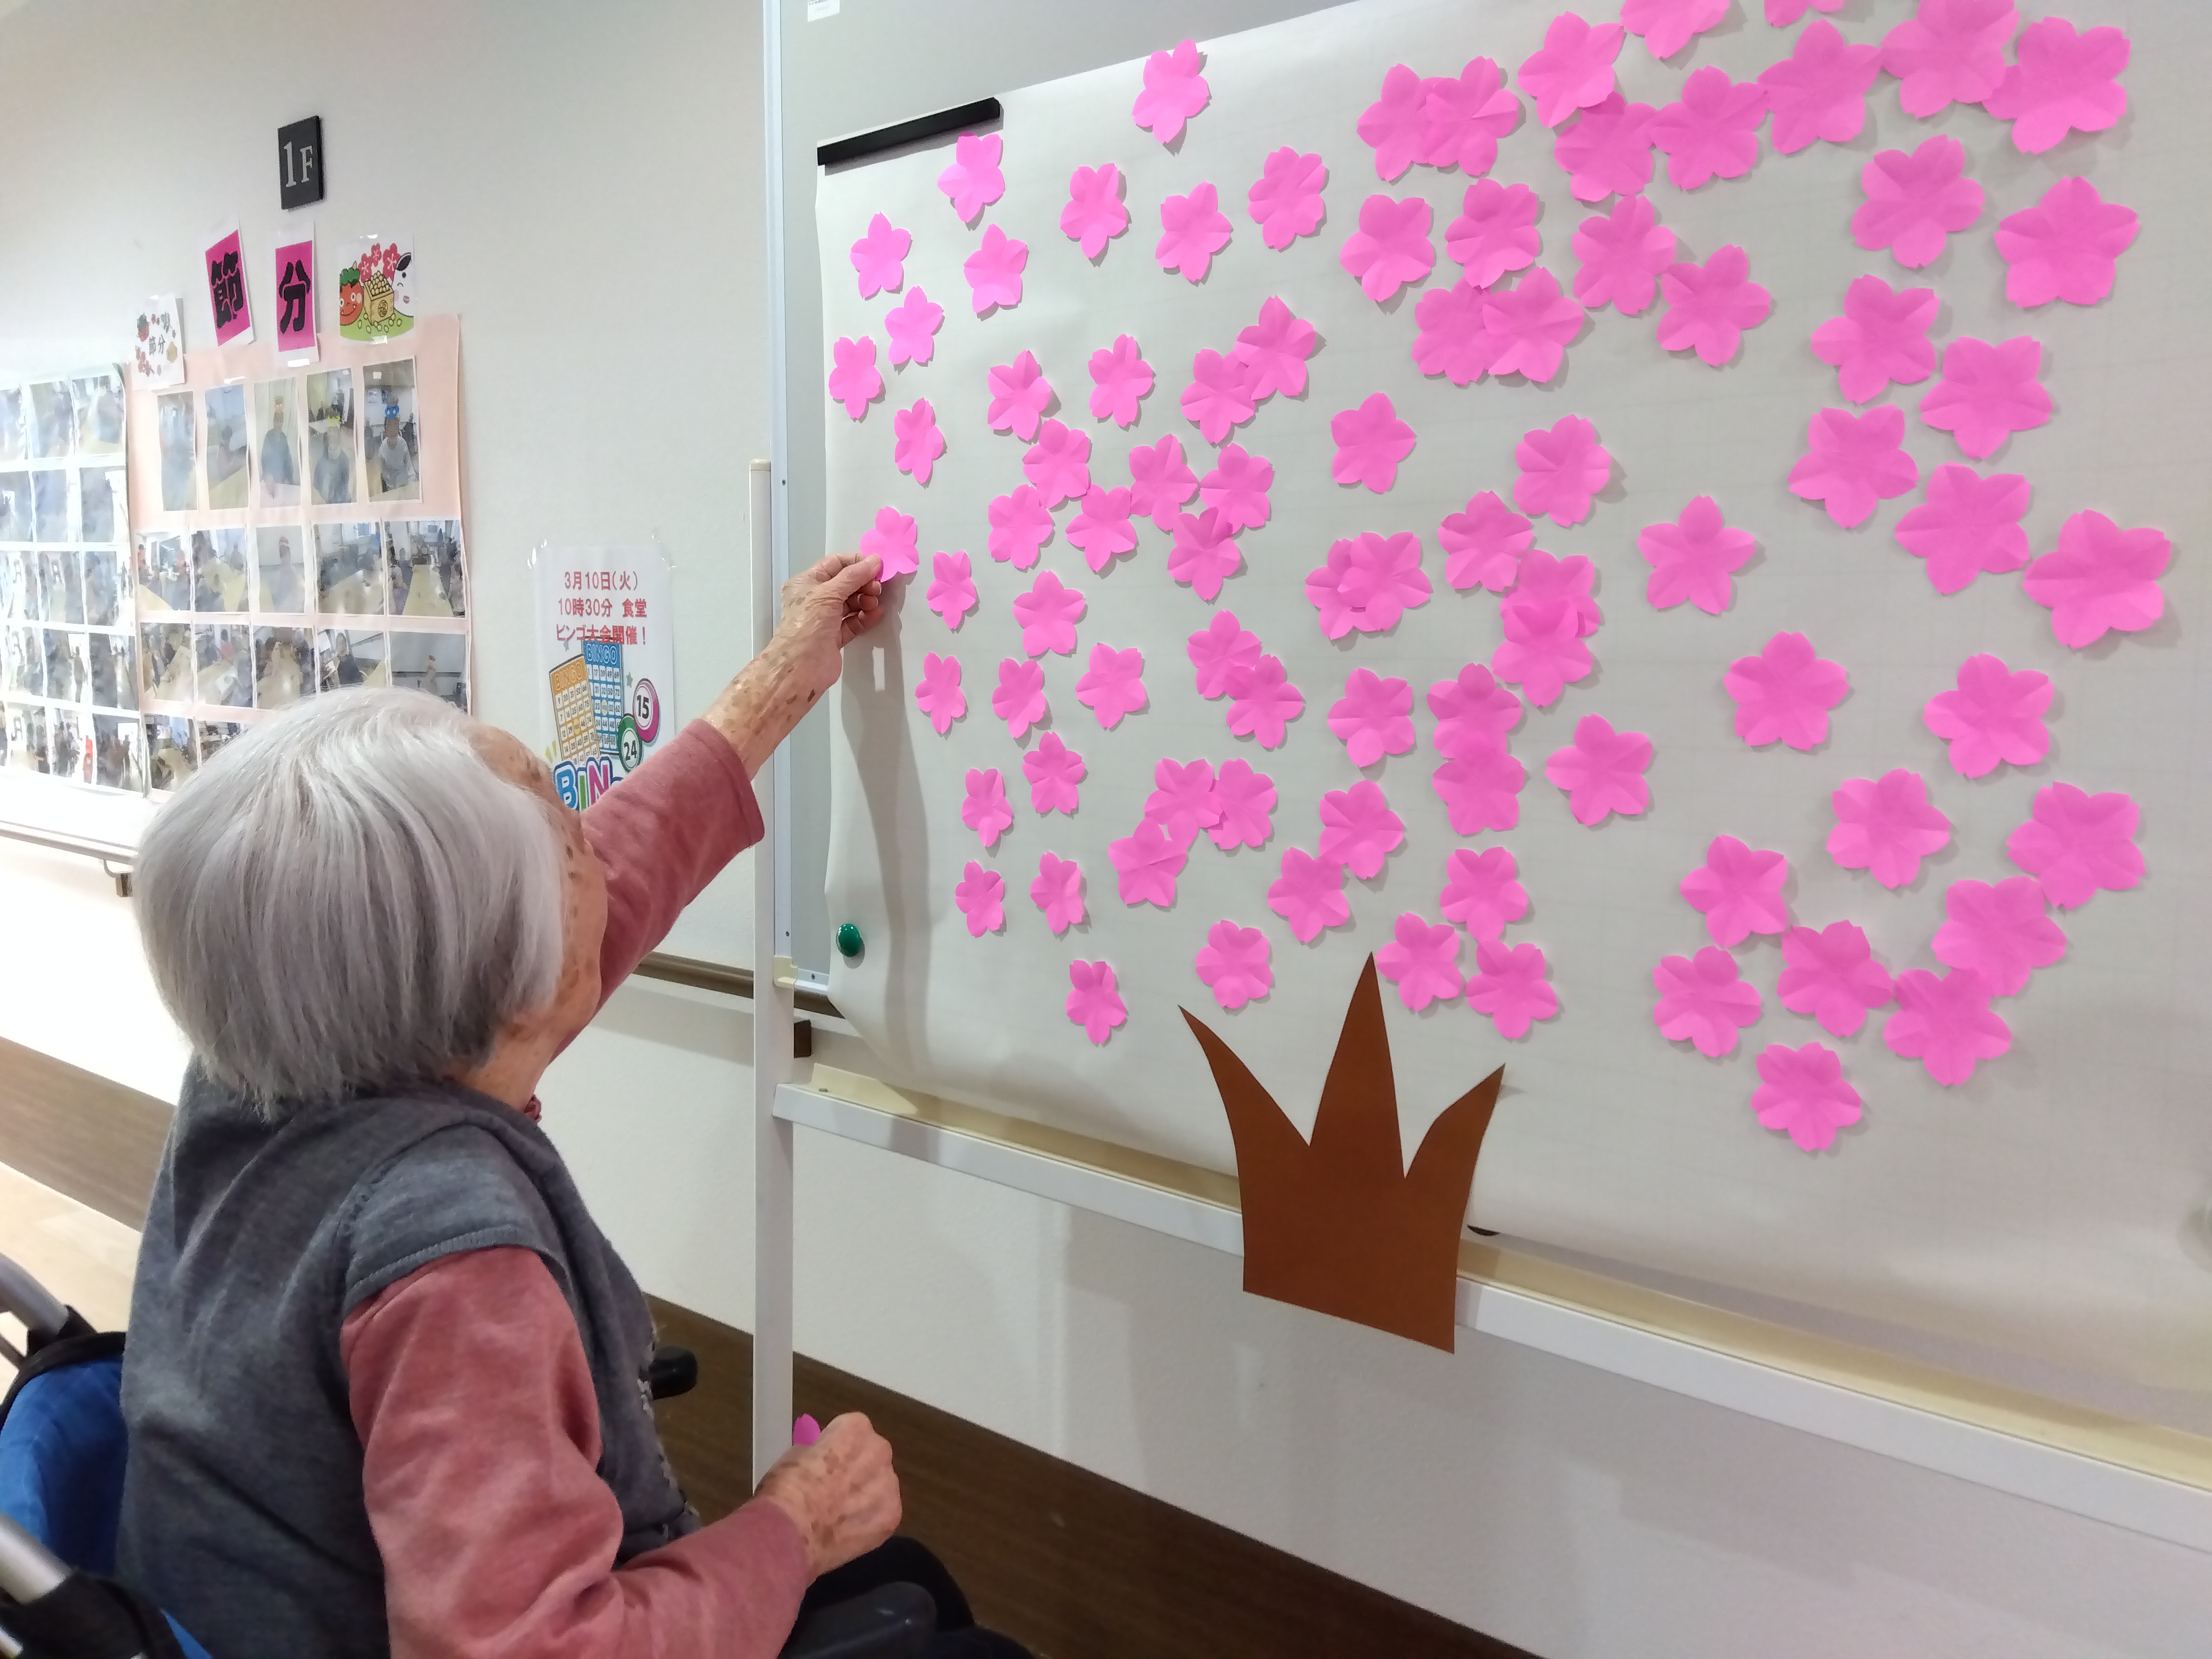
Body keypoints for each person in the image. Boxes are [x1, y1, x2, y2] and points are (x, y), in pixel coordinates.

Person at [123, 552, 1024, 1658]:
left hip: (248, 1591)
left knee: (905, 1579)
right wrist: (796, 1526)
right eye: (562, 823)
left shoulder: (280, 1057)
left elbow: (624, 869)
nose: (593, 836)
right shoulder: (447, 1256)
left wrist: (780, 681)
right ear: (516, 972)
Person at [259, 392, 299, 500]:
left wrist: (290, 478)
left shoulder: (284, 438)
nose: (279, 424)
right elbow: (264, 458)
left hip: (282, 477)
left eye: (281, 421)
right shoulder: (269, 436)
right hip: (271, 477)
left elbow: (288, 459)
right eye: (277, 421)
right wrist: (268, 475)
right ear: (274, 422)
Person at [374, 412, 413, 494]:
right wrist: (392, 487)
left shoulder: (403, 443)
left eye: (395, 424)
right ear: (385, 429)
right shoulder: (383, 448)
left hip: (405, 483)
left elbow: (409, 466)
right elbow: (384, 472)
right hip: (391, 487)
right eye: (389, 425)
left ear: (398, 427)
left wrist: (410, 485)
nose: (392, 428)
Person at [315, 425, 353, 504]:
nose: (332, 439)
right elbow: (316, 484)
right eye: (330, 436)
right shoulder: (321, 460)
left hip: (338, 504)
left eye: (334, 436)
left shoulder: (344, 460)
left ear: (339, 438)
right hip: (322, 504)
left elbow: (345, 487)